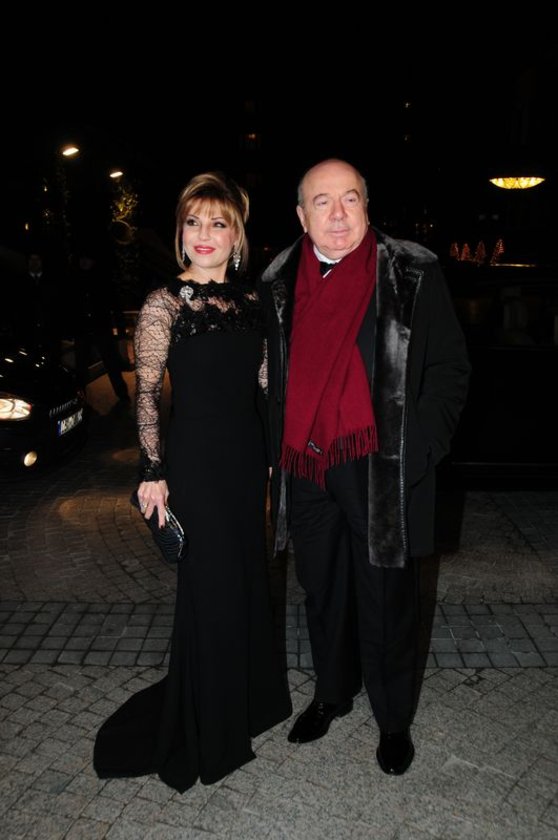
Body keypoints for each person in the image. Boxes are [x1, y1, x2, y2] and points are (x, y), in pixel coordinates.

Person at [260, 159, 470, 775]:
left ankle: (393, 719)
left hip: (379, 462)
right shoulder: (276, 280)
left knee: (386, 598)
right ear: (301, 216)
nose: (337, 214)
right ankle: (332, 692)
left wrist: (418, 452)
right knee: (322, 589)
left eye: (350, 199)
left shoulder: (411, 271)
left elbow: (449, 370)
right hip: (305, 463)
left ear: (367, 207)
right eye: (321, 202)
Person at [93, 172, 292, 793]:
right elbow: (147, 393)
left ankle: (249, 701)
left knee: (246, 576)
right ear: (180, 233)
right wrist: (152, 471)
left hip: (244, 461)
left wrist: (273, 457)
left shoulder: (255, 302)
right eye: (194, 222)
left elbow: (267, 386)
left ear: (237, 236)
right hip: (195, 463)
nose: (205, 234)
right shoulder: (164, 304)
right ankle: (210, 725)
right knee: (209, 587)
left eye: (218, 223)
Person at [68, 248, 131, 403]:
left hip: (101, 329)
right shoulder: (74, 280)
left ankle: (123, 395)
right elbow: (69, 307)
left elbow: (115, 305)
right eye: (82, 259)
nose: (84, 262)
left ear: (93, 261)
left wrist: (121, 330)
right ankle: (80, 399)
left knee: (111, 363)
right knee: (81, 367)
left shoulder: (103, 280)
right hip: (82, 330)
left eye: (87, 259)